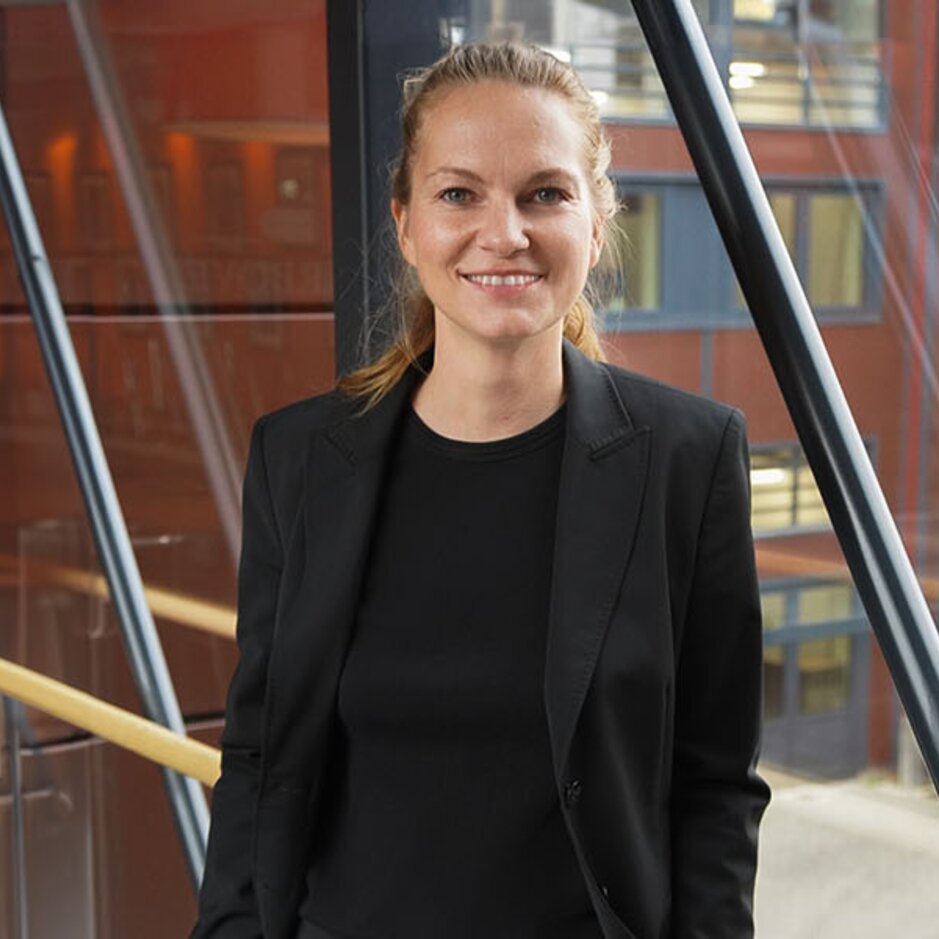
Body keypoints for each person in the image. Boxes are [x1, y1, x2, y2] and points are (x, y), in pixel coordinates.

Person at [193, 40, 771, 939]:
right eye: (459, 193)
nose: (504, 234)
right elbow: (260, 751)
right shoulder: (300, 457)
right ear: (405, 223)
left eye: (544, 193)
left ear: (594, 219)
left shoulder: (688, 461)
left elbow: (714, 783)